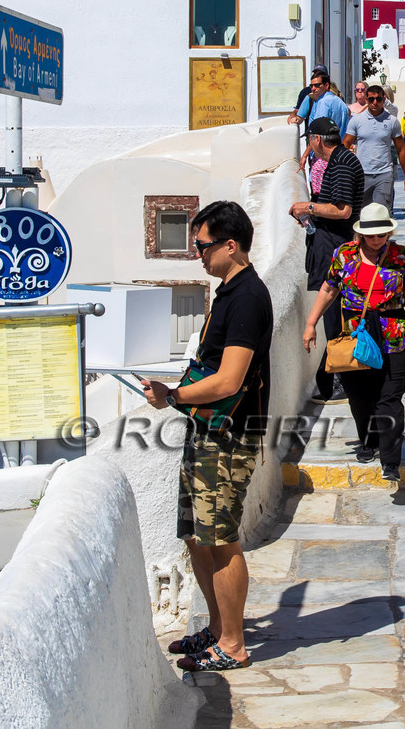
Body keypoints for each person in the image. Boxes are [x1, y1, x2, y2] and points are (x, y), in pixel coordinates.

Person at [146, 200, 273, 673]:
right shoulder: (228, 291)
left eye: (202, 246)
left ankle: (234, 645)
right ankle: (219, 629)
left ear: (230, 245)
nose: (197, 254)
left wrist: (173, 397)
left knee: (220, 538)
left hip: (228, 438)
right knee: (198, 536)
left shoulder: (247, 298)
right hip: (208, 430)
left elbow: (229, 380)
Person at [302, 204, 405, 481]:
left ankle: (390, 461)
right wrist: (311, 323)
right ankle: (368, 440)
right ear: (360, 235)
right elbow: (329, 289)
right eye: (371, 236)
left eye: (382, 234)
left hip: (394, 334)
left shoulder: (401, 256)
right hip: (356, 333)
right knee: (359, 394)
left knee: (389, 397)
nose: (377, 240)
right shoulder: (344, 255)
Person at [290, 118, 364, 405]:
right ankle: (339, 378)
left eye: (309, 139)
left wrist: (307, 206)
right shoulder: (340, 160)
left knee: (335, 315)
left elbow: (343, 210)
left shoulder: (342, 163)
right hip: (329, 242)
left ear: (317, 139)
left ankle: (340, 381)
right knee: (336, 314)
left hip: (336, 245)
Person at [344, 84, 405, 213]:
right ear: (366, 99)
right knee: (361, 214)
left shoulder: (392, 121)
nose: (374, 103)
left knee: (382, 214)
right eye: (371, 99)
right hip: (362, 174)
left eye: (378, 99)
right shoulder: (357, 120)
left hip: (384, 173)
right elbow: (346, 144)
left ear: (384, 99)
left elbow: (401, 149)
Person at [286, 66, 350, 135]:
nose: (313, 88)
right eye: (311, 86)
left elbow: (319, 130)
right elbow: (300, 116)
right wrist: (296, 119)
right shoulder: (310, 97)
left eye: (317, 85)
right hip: (339, 143)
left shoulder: (324, 102)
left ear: (326, 85)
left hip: (322, 142)